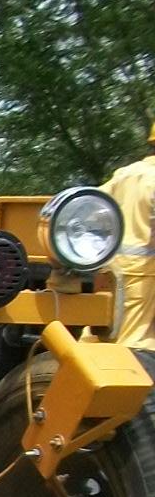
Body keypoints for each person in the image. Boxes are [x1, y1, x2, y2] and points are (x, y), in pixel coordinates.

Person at [102, 121, 155, 351]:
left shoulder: (126, 173)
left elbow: (93, 208)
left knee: (104, 333)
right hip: (145, 275)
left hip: (112, 270)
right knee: (133, 344)